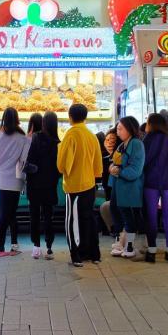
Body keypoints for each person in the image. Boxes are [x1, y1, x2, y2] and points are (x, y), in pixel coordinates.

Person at [57, 104, 103, 266]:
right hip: (90, 184)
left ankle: (76, 256)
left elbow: (62, 164)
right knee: (88, 217)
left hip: (74, 185)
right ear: (85, 117)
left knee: (72, 220)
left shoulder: (70, 135)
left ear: (70, 116)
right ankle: (94, 254)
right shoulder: (91, 136)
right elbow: (98, 165)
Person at [0, 108, 28, 258]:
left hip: (0, 179)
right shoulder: (23, 139)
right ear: (17, 119)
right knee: (8, 215)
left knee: (4, 215)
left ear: (3, 119)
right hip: (15, 181)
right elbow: (23, 162)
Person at [142, 113, 168, 263]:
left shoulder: (148, 139)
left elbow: (145, 159)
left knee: (151, 217)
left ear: (151, 123)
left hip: (151, 182)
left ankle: (151, 251)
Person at [109, 116, 145, 260]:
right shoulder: (123, 144)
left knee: (128, 216)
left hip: (129, 187)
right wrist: (112, 168)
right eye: (117, 128)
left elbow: (136, 170)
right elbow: (115, 162)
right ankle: (120, 243)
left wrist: (118, 172)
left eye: (120, 129)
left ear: (130, 129)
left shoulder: (136, 144)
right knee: (116, 212)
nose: (117, 132)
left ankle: (129, 246)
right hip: (118, 186)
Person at [26, 111, 60, 260]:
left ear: (44, 123)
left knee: (34, 216)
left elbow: (29, 162)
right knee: (48, 217)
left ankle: (36, 247)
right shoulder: (57, 143)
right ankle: (49, 248)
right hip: (50, 186)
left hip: (34, 185)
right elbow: (59, 168)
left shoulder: (35, 138)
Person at [100, 129, 125, 254]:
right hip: (111, 184)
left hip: (122, 186)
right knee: (111, 207)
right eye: (107, 140)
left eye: (113, 140)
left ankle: (124, 241)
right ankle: (117, 237)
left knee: (121, 212)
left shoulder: (122, 152)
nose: (109, 143)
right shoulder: (106, 156)